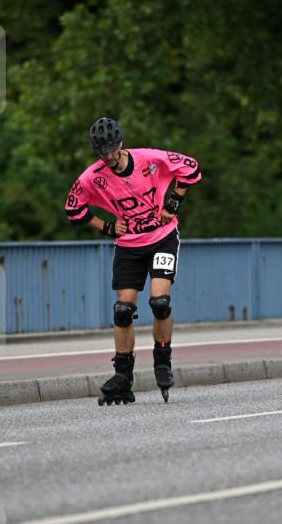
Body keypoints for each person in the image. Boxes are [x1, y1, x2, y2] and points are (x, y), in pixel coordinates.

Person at [65, 116, 201, 404]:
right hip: (128, 246)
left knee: (159, 302)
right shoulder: (93, 177)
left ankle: (162, 360)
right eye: (102, 152)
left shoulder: (149, 159)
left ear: (121, 144)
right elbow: (73, 209)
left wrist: (173, 202)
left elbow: (190, 167)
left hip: (162, 237)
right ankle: (123, 376)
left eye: (112, 150)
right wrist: (108, 227)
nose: (108, 157)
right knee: (123, 310)